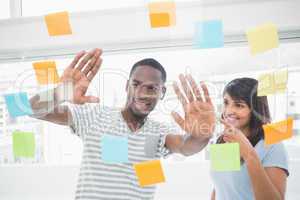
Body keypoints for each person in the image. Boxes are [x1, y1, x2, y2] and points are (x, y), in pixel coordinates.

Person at [30, 48, 216, 199]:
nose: (142, 93)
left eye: (151, 87)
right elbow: (30, 109)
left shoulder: (159, 132)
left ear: (163, 92)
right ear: (127, 86)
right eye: (136, 84)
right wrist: (60, 93)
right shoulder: (94, 116)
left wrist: (202, 134)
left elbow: (186, 146)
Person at [210, 78, 289, 200]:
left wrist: (248, 153)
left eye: (239, 105)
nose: (229, 111)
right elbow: (220, 189)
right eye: (226, 103)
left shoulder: (272, 144)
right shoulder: (224, 141)